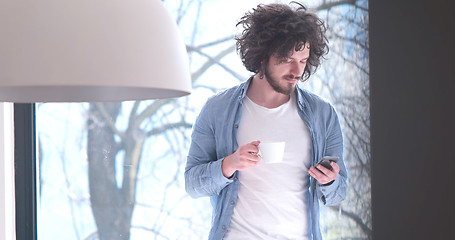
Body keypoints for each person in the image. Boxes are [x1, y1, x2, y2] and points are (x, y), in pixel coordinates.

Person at [185, 3, 348, 240]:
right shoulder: (217, 109)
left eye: (303, 60)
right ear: (262, 56)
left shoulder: (323, 115)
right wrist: (229, 164)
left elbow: (339, 193)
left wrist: (330, 181)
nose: (296, 70)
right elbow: (192, 184)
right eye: (287, 59)